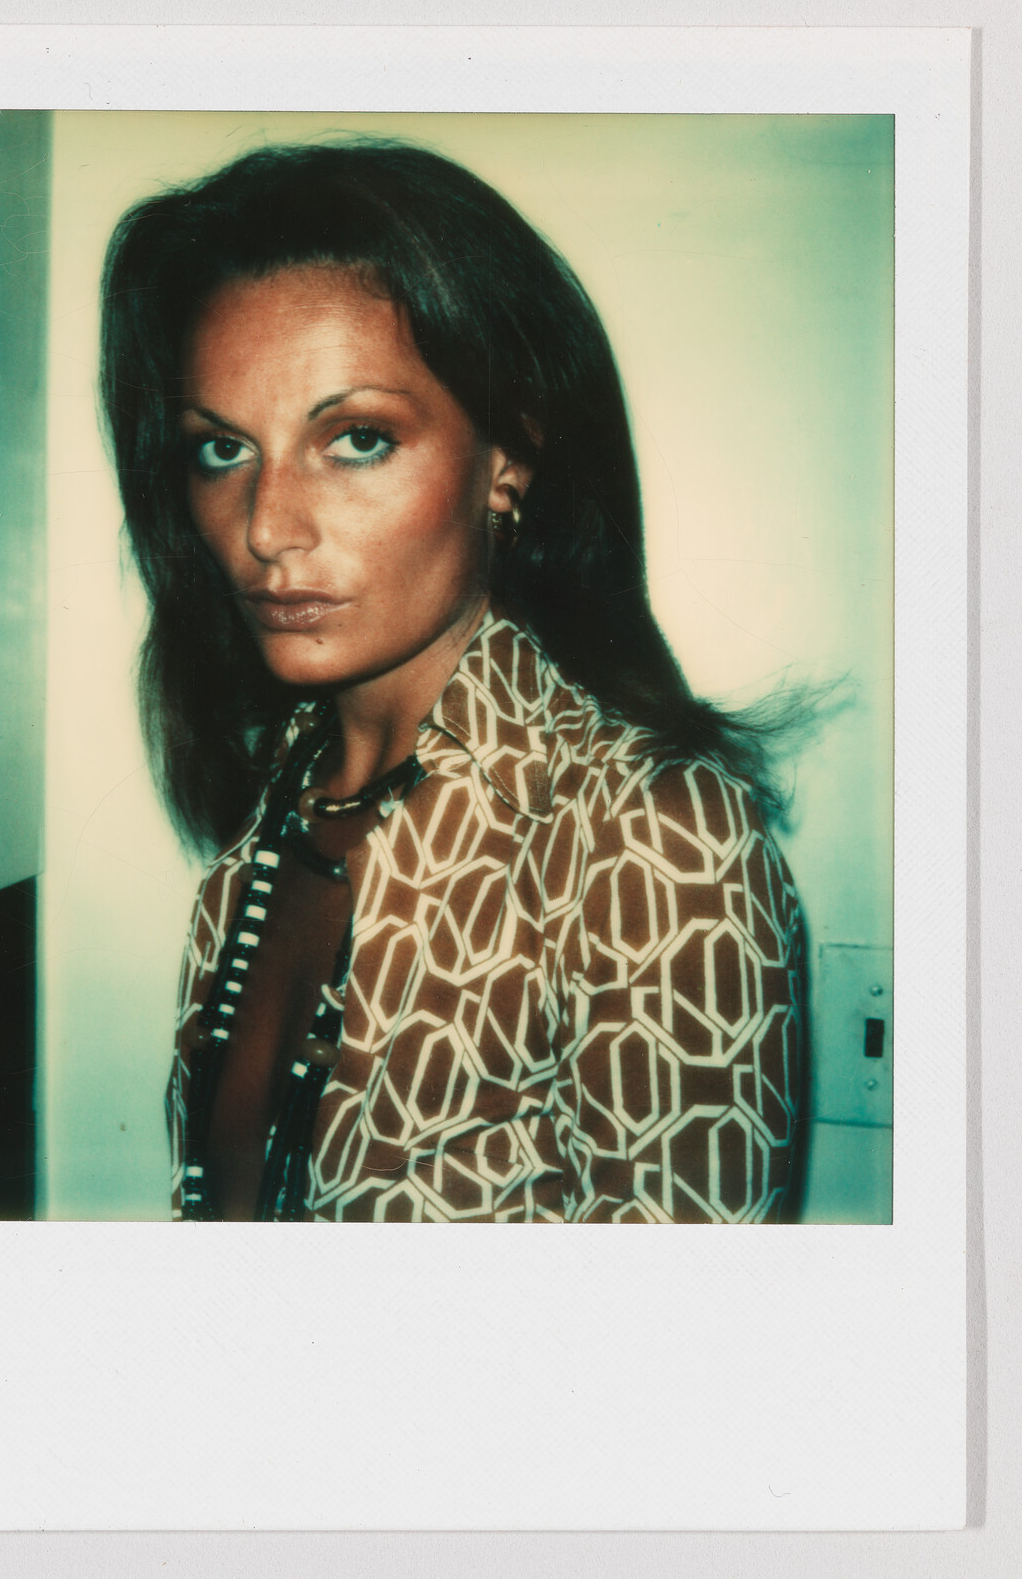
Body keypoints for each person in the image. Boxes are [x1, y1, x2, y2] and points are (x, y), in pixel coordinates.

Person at [99, 139, 805, 1223]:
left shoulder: (647, 838)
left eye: (357, 439)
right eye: (222, 450)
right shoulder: (271, 819)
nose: (267, 527)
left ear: (506, 460)